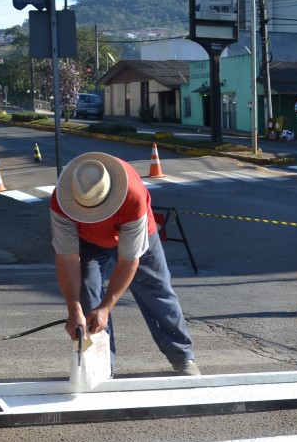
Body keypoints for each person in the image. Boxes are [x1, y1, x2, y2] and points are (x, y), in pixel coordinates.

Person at [50, 152, 199, 377]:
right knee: (87, 297)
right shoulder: (62, 200)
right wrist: (74, 309)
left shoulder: (132, 196)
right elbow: (67, 259)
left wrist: (107, 307)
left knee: (156, 290)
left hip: (135, 234)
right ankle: (101, 369)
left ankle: (183, 357)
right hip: (87, 240)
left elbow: (129, 261)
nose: (95, 216)